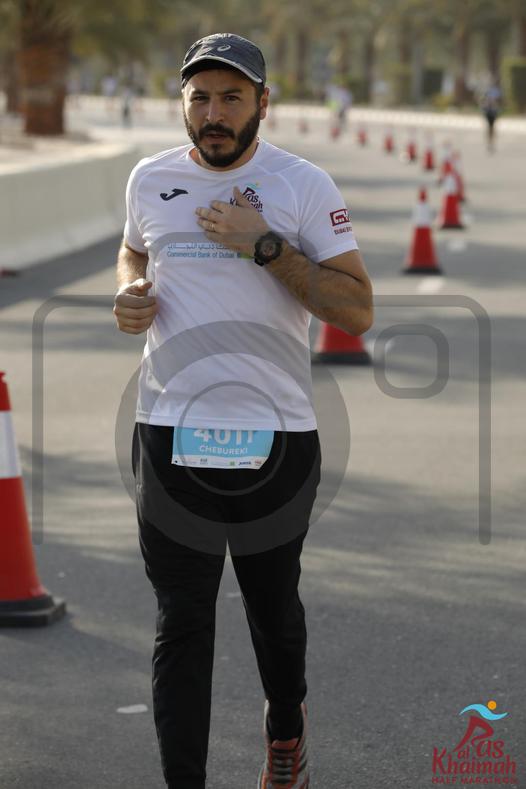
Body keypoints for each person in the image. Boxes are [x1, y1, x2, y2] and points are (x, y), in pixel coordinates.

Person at [113, 32, 373, 789]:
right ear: (183, 104)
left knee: (273, 611)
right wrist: (128, 289)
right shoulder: (150, 178)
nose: (214, 114)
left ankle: (285, 726)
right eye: (200, 98)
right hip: (168, 431)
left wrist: (264, 246)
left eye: (231, 98)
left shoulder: (302, 185)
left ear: (263, 102)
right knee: (181, 619)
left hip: (276, 435)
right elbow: (135, 249)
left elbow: (356, 309)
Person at [480, 80, 502, 153]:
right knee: (489, 127)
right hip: (488, 111)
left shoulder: (497, 91)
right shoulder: (487, 91)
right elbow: (482, 100)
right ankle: (489, 142)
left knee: (492, 127)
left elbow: (499, 101)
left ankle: (492, 142)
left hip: (494, 111)